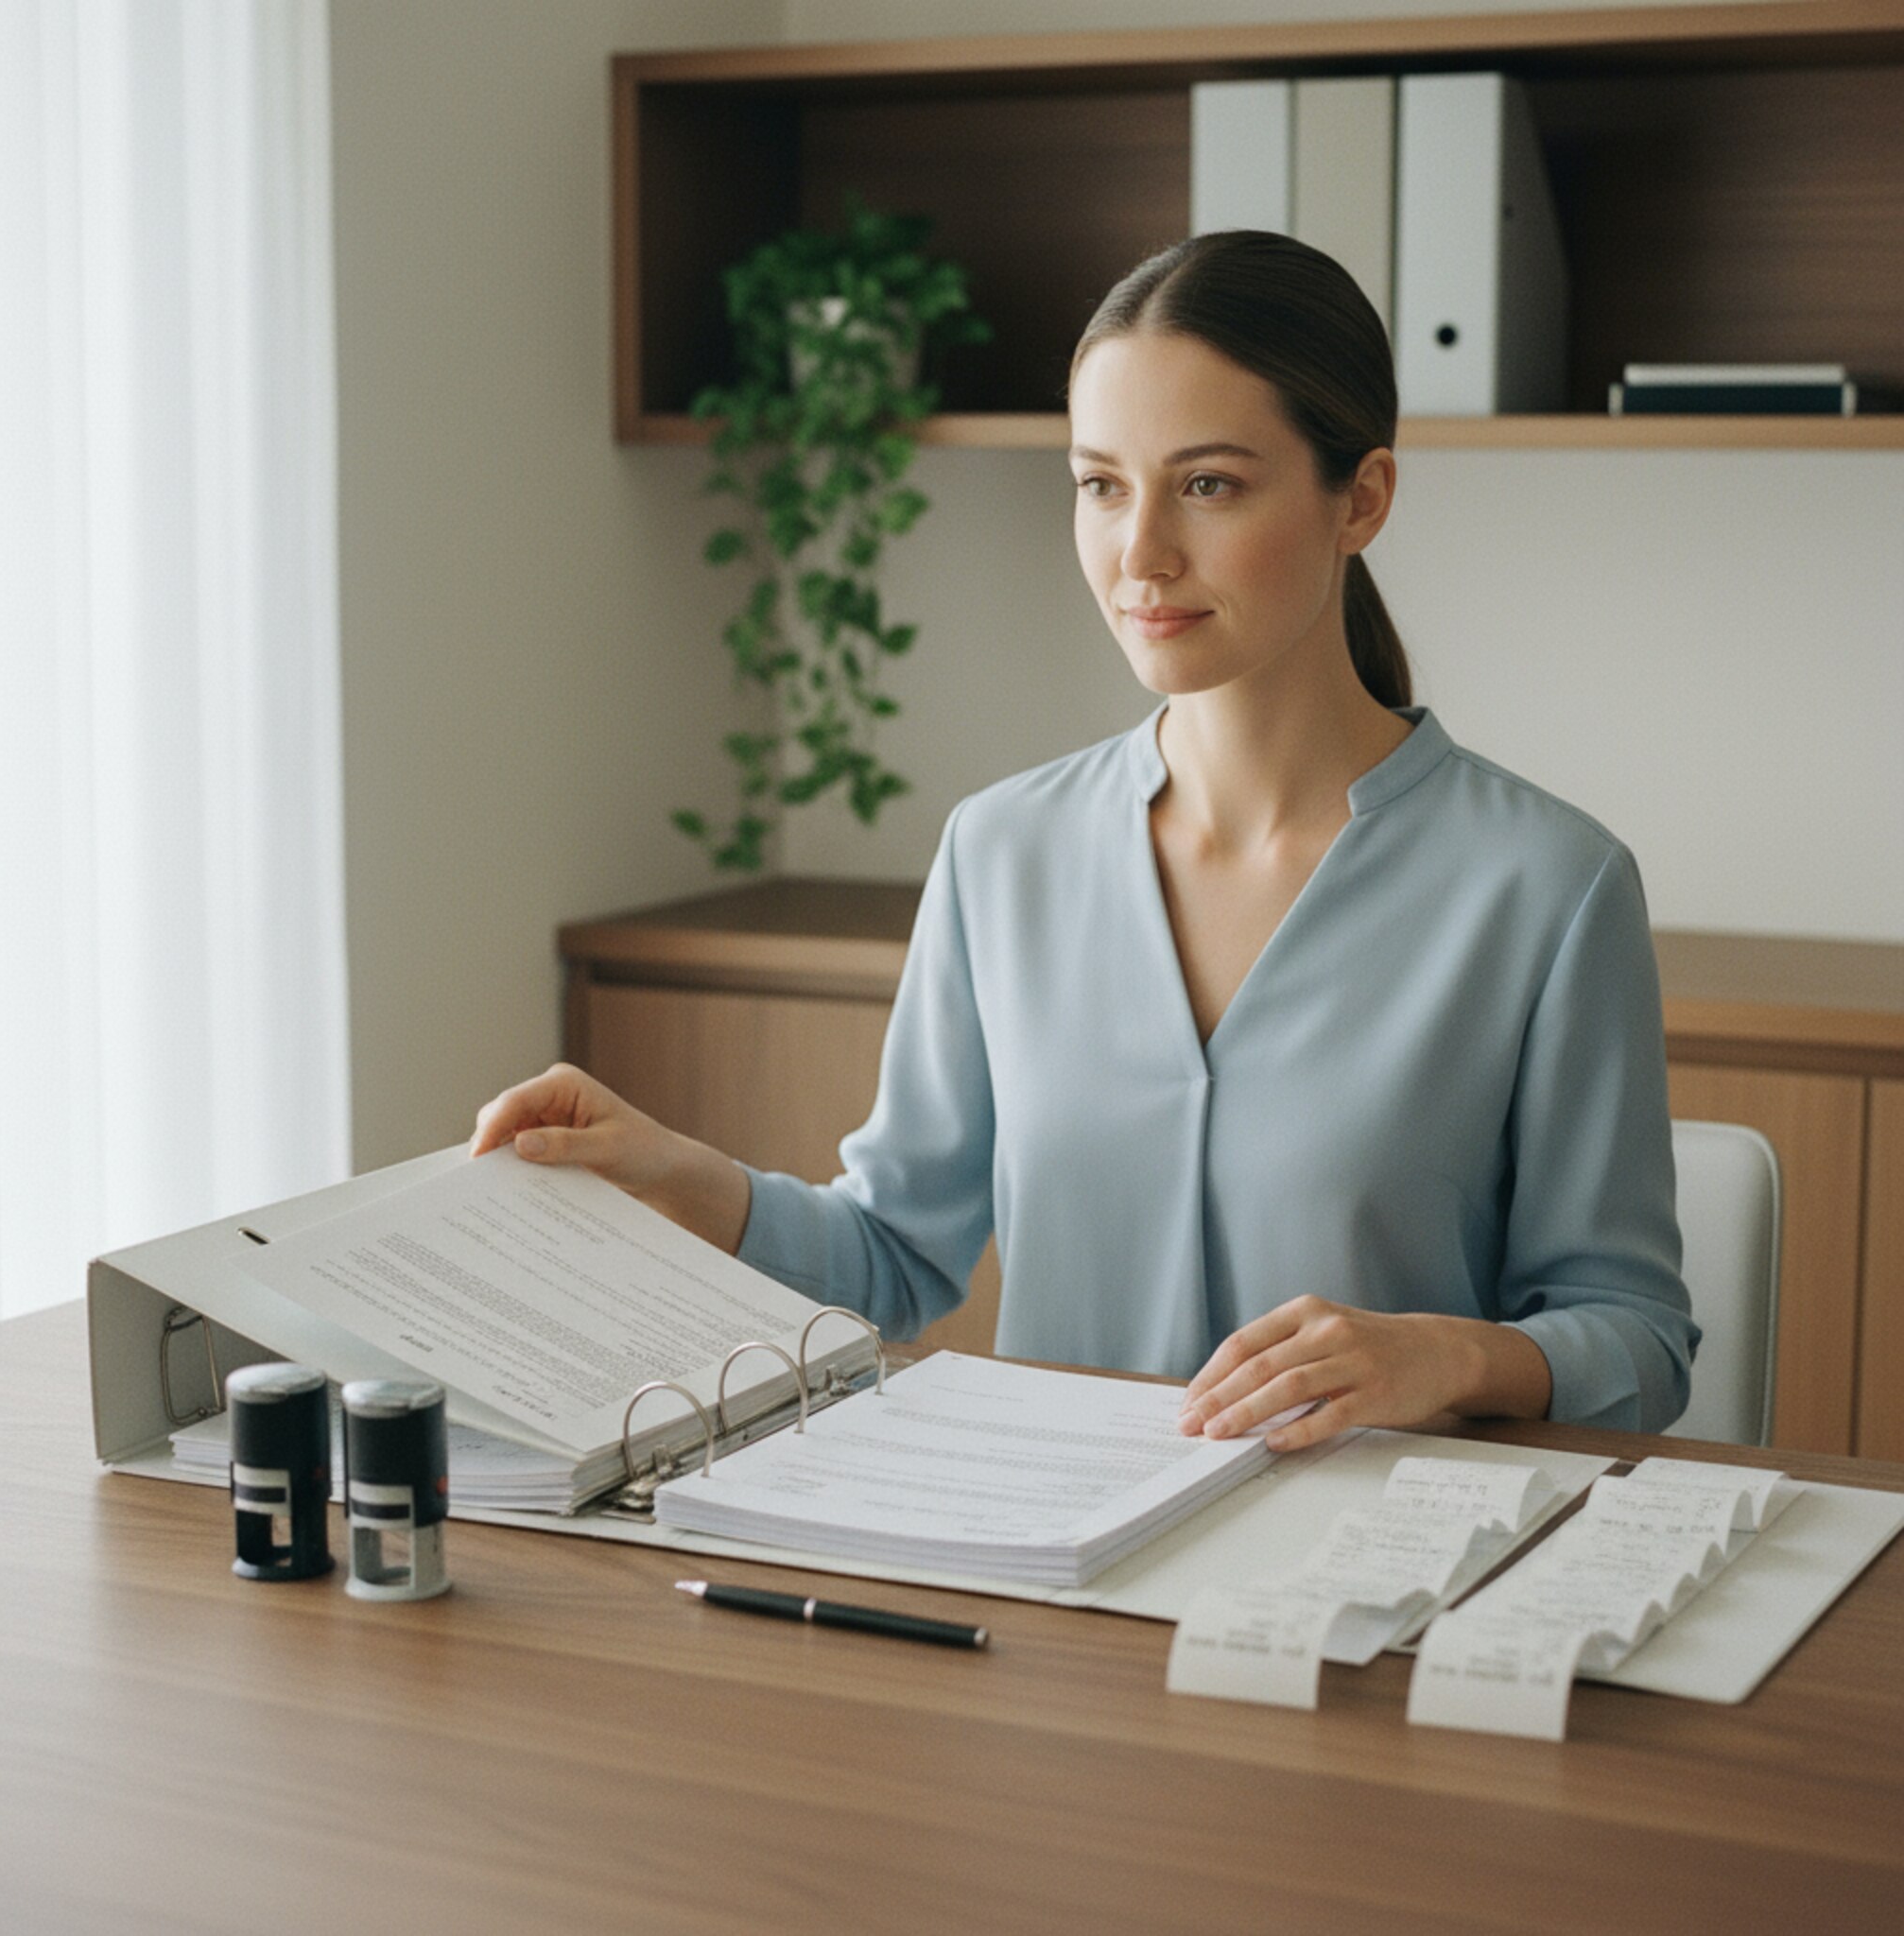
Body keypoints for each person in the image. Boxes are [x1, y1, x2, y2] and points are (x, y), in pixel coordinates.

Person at [472, 232, 1696, 1448]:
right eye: (1102, 484)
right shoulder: (1001, 852)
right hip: (1058, 1573)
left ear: (1360, 497)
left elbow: (1636, 1341)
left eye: (1208, 484)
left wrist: (1446, 1354)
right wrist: (669, 1173)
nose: (1140, 554)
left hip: (1370, 1579)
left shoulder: (1547, 888)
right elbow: (895, 1257)